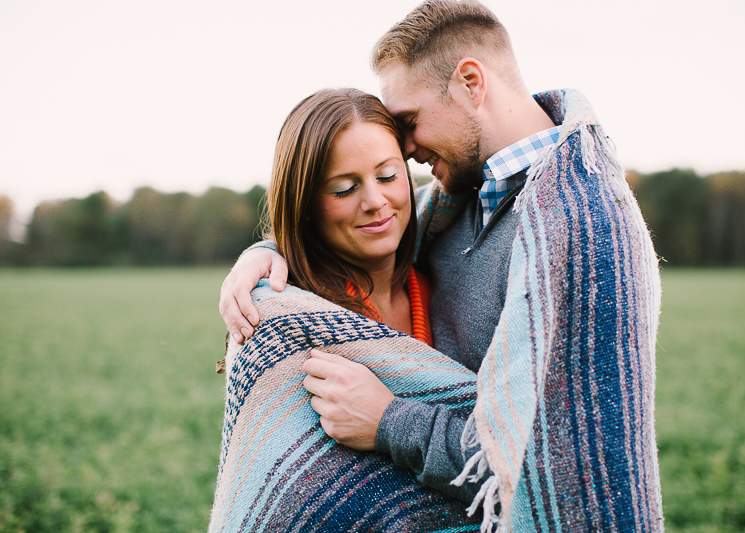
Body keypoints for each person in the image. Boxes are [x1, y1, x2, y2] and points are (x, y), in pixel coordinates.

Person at [220, 0, 664, 531]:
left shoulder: (580, 224)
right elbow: (358, 232)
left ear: (471, 83)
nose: (406, 150)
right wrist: (266, 254)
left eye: (409, 122)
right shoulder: (463, 202)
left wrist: (389, 420)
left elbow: (542, 467)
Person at [209, 87, 484, 532]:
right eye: (344, 187)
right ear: (305, 203)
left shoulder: (451, 281)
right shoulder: (280, 324)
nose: (375, 201)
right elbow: (288, 504)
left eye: (389, 175)